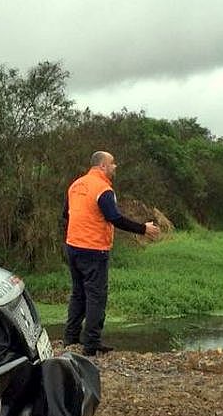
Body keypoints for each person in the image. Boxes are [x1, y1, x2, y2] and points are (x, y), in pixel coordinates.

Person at [63, 151, 161, 356]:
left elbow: (66, 214)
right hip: (93, 249)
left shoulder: (76, 185)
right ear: (102, 166)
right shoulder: (103, 189)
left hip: (72, 247)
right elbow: (114, 218)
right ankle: (91, 343)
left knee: (78, 293)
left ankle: (70, 339)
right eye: (112, 163)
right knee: (96, 297)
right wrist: (144, 229)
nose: (115, 166)